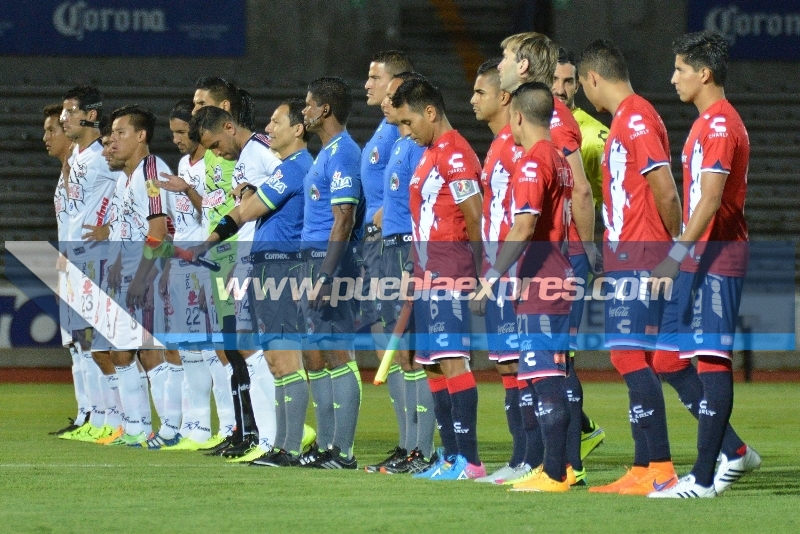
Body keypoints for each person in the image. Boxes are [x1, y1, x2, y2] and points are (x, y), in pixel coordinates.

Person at [649, 30, 761, 498]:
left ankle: (701, 479)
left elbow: (711, 200)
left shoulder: (718, 125)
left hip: (716, 257)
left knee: (712, 361)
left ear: (704, 73)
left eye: (680, 69)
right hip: (698, 257)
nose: (673, 78)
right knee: (667, 360)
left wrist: (675, 256)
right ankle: (734, 451)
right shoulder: (704, 123)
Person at [578, 39, 682, 495]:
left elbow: (666, 190)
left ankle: (659, 465)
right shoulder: (628, 118)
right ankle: (646, 467)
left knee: (627, 355)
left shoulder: (636, 118)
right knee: (645, 357)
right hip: (628, 255)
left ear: (593, 79)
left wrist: (678, 248)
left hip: (641, 254)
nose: (585, 97)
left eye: (583, 86)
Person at [190, 99, 312, 467]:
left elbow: (250, 209)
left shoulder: (276, 157)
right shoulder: (263, 159)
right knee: (261, 354)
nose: (269, 127)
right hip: (259, 260)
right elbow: (250, 204)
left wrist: (209, 241)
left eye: (277, 122)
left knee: (272, 355)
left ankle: (286, 438)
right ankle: (272, 438)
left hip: (281, 263)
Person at [474, 81, 575, 492]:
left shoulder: (534, 161)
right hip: (554, 277)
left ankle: (555, 473)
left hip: (541, 282)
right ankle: (548, 467)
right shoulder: (559, 158)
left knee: (545, 376)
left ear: (516, 115)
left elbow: (524, 223)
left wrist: (492, 277)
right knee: (540, 374)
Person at [392, 76, 487, 480]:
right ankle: (450, 457)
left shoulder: (456, 154)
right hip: (427, 276)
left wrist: (484, 274)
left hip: (452, 273)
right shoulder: (429, 153)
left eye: (409, 122)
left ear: (430, 112)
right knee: (430, 364)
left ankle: (471, 461)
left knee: (452, 362)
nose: (405, 131)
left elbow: (476, 215)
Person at [467, 58, 538, 486]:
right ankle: (520, 457)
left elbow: (523, 217)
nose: (472, 99)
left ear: (504, 97)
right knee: (508, 368)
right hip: (497, 273)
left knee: (523, 367)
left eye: (480, 92)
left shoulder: (517, 148)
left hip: (515, 277)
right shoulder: (496, 146)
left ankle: (533, 458)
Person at [370, 71, 437, 475]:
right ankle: (409, 447)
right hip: (391, 249)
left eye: (396, 96)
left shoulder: (414, 145)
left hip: (407, 251)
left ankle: (421, 450)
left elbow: (420, 204)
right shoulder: (401, 142)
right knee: (405, 358)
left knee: (415, 355)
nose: (388, 103)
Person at [296, 77, 364, 469]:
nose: (304, 111)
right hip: (311, 258)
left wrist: (324, 275)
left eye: (308, 104)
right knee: (315, 354)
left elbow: (344, 218)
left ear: (324, 109)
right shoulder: (325, 153)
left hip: (331, 262)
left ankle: (345, 451)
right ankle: (324, 446)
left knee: (339, 351)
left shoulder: (343, 152)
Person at [98, 105, 172, 446]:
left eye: (121, 132)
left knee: (150, 351)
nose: (114, 139)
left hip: (150, 274)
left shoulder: (152, 170)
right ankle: (137, 428)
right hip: (123, 276)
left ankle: (171, 428)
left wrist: (141, 279)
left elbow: (159, 229)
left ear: (141, 136)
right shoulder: (123, 178)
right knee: (121, 353)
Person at [359, 50, 418, 474]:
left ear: (396, 82)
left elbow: (401, 194)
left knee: (405, 351)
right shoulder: (385, 129)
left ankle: (418, 445)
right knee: (388, 349)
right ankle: (406, 443)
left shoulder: (404, 131)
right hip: (378, 249)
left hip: (394, 248)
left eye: (374, 77)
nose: (368, 84)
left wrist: (378, 228)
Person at [552, 47, 609, 469]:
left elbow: (597, 194)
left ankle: (569, 457)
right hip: (547, 252)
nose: (562, 89)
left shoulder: (592, 132)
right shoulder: (537, 121)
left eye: (569, 81)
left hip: (576, 250)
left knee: (560, 352)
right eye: (556, 81)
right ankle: (580, 432)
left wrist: (591, 253)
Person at [56, 86, 119, 443]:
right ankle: (93, 416)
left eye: (70, 111)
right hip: (74, 261)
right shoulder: (78, 158)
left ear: (91, 115)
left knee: (103, 345)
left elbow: (132, 191)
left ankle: (116, 418)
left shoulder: (102, 156)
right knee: (81, 344)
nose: (64, 118)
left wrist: (110, 228)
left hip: (98, 260)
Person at [151, 99, 211, 450]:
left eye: (181, 131)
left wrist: (188, 189)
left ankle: (222, 426)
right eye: (172, 132)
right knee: (186, 349)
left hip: (208, 263)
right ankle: (195, 424)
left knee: (211, 350)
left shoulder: (211, 166)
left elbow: (217, 214)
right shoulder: (181, 165)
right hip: (181, 265)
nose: (176, 139)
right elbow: (176, 224)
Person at [43, 103, 88, 436]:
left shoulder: (84, 170)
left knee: (89, 344)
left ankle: (102, 416)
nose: (46, 136)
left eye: (52, 130)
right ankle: (86, 414)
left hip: (84, 266)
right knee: (76, 345)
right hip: (68, 267)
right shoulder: (66, 172)